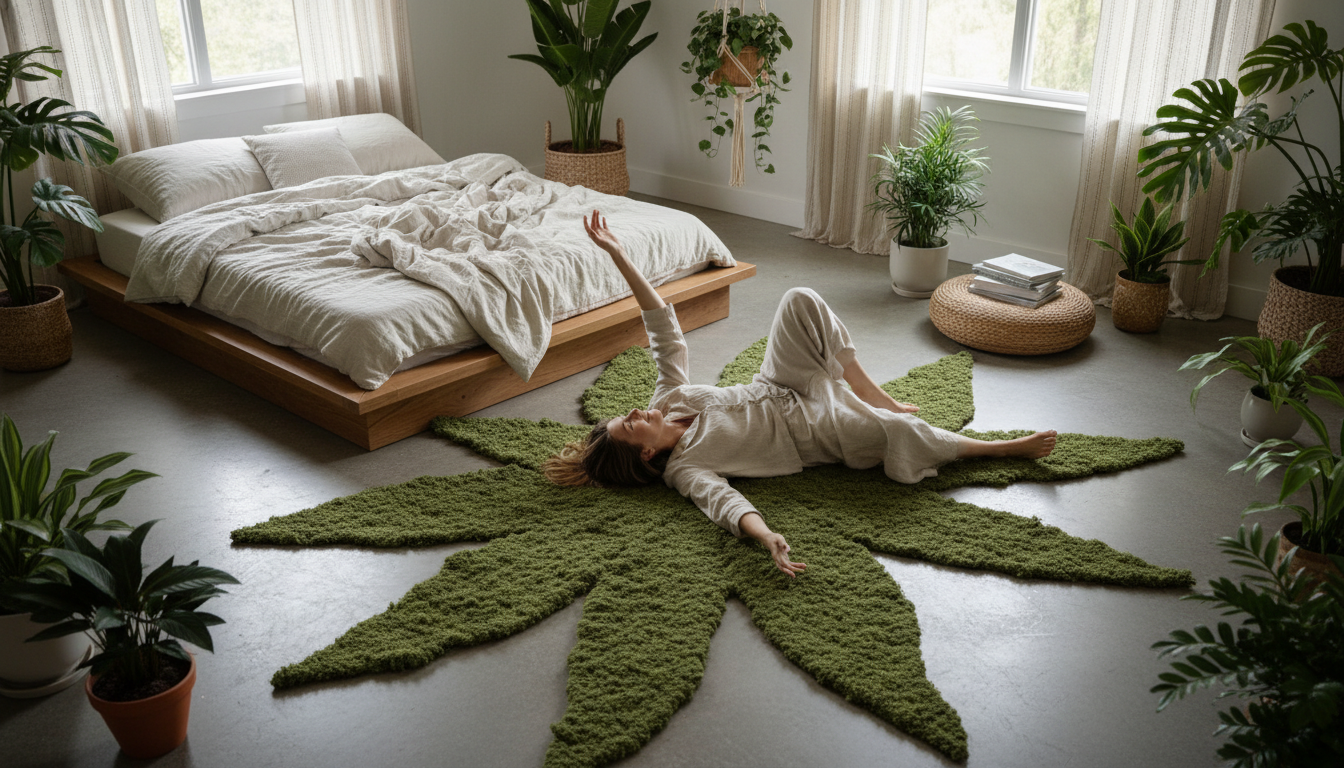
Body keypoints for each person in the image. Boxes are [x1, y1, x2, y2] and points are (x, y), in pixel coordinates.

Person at [544, 211, 1058, 578]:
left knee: (799, 299)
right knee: (898, 432)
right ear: (649, 452)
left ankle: (870, 390)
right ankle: (997, 448)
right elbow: (725, 503)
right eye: (631, 424)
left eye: (627, 414)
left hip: (778, 383)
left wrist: (619, 255)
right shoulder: (686, 470)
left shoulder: (667, 401)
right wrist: (766, 536)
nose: (637, 410)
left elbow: (664, 330)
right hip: (811, 431)